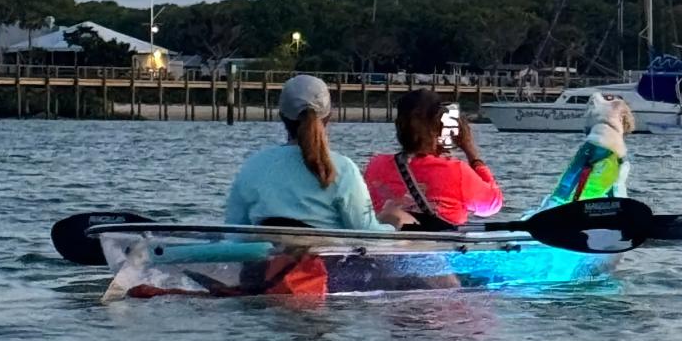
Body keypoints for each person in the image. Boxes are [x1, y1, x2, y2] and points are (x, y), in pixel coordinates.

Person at [225, 75, 411, 230]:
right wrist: (393, 223)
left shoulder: (253, 166)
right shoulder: (343, 169)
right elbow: (366, 233)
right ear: (329, 117)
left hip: (260, 272)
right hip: (326, 273)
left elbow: (234, 233)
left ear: (281, 116)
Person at [363, 89, 503, 230]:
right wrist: (471, 152)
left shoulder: (375, 165)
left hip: (387, 245)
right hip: (441, 248)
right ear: (440, 126)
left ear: (398, 125)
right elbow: (492, 205)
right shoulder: (456, 171)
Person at [535, 93, 634, 211]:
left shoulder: (598, 105)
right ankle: (617, 203)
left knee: (573, 174)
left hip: (595, 142)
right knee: (615, 178)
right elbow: (628, 126)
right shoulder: (621, 109)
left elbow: (588, 125)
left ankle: (554, 204)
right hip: (617, 149)